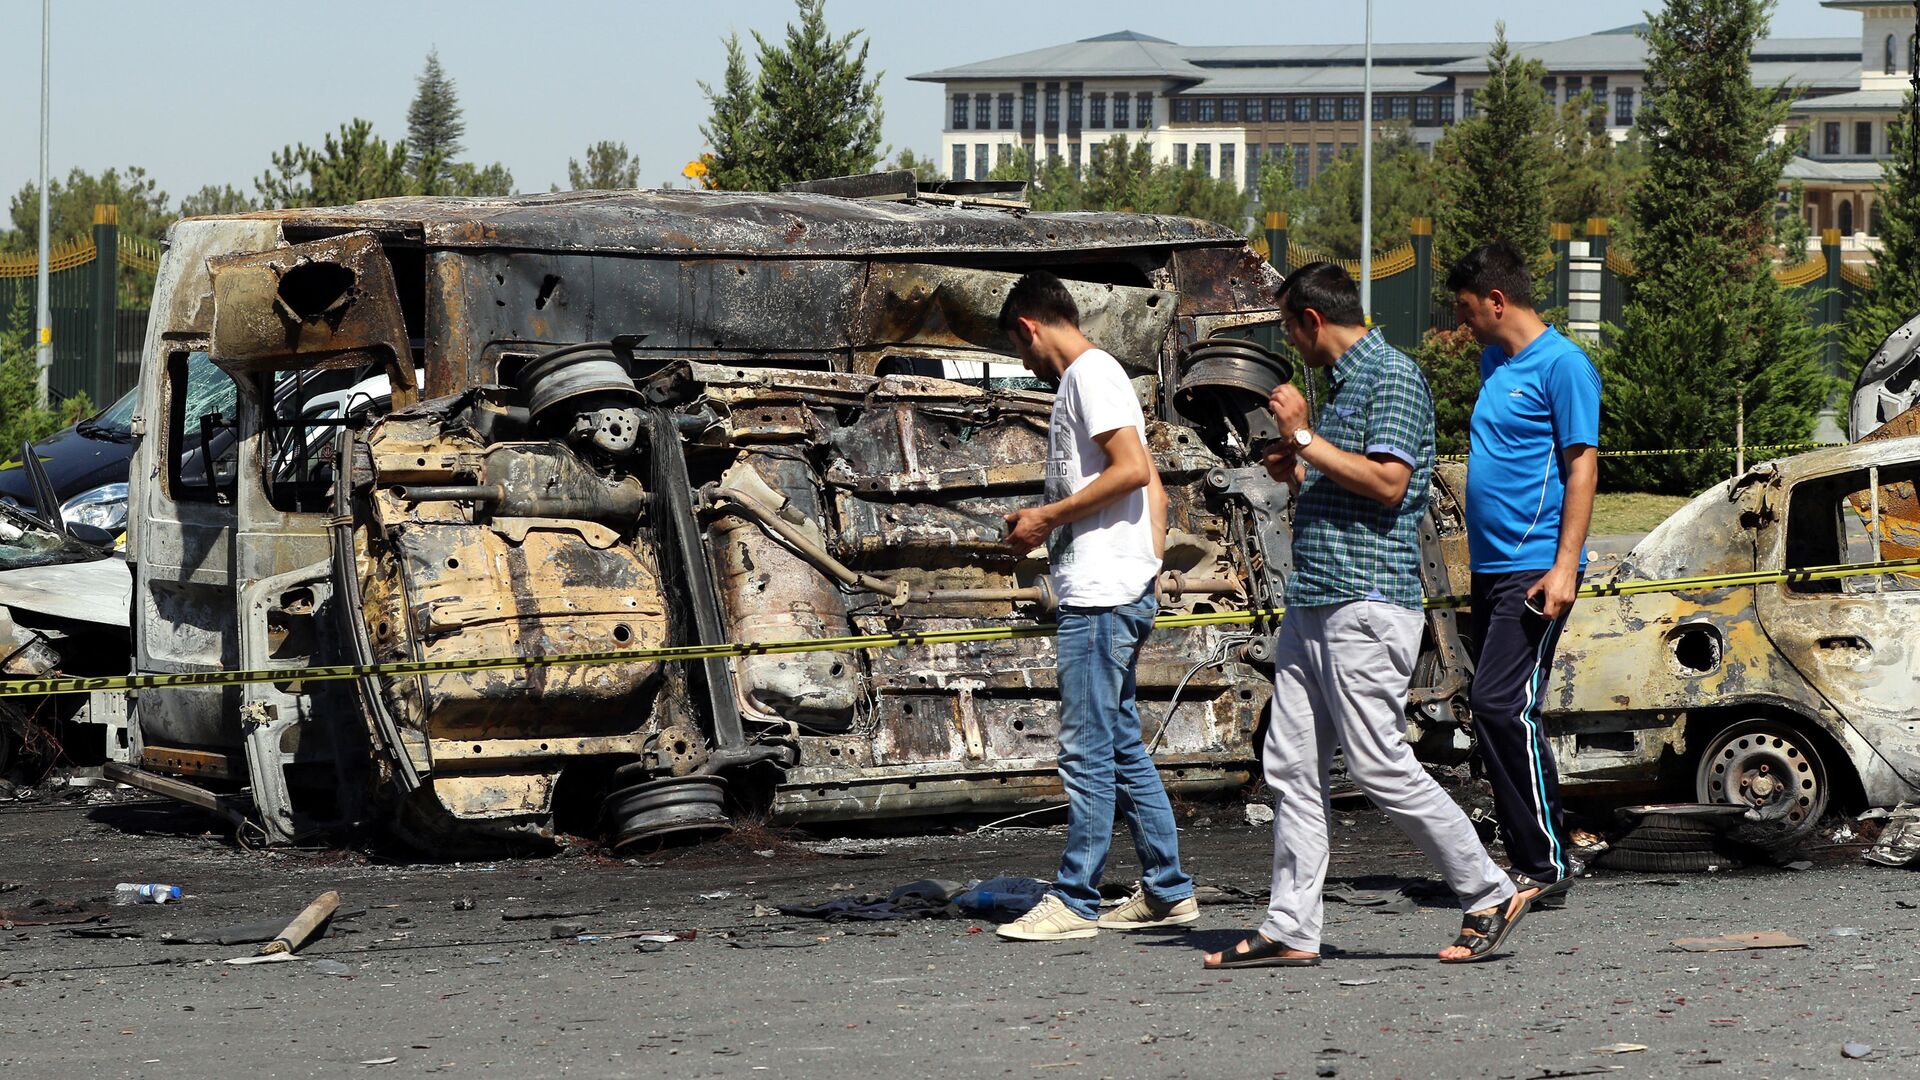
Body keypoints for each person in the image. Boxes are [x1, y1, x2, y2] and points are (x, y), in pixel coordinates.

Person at [1204, 261, 1526, 968]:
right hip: (1317, 602)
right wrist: (1299, 466)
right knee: (1291, 767)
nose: (1291, 341)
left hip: (1367, 604)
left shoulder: (1393, 378)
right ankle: (1291, 924)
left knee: (1379, 763)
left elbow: (1388, 484)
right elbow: (1343, 478)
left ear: (1313, 320)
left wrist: (1308, 441)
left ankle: (1488, 889)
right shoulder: (1344, 387)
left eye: (1290, 326)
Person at [992, 270, 1197, 941]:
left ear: (1029, 327)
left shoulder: (1087, 375)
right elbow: (1154, 487)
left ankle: (1076, 899)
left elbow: (1133, 471)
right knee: (1117, 743)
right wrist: (1146, 560)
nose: (1027, 364)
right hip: (1118, 586)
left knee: (1085, 748)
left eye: (1021, 351)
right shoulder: (1100, 378)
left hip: (1101, 596)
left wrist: (1047, 520)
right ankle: (1167, 890)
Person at [1445, 241, 1601, 911]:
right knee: (1497, 711)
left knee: (1502, 705)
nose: (1464, 324)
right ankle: (1533, 855)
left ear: (1497, 301)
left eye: (1467, 310)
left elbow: (1582, 466)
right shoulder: (1494, 361)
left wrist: (1565, 566)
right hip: (1491, 568)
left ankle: (1546, 863)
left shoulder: (1564, 366)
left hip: (1536, 569)